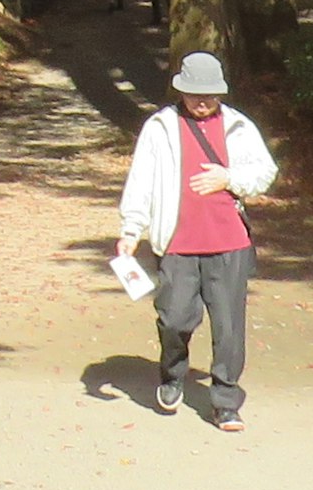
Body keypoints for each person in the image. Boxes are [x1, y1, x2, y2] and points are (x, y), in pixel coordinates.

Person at [113, 50, 274, 427]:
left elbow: (265, 171)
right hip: (177, 243)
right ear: (181, 91)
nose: (202, 102)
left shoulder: (239, 126)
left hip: (229, 242)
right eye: (194, 94)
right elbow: (142, 181)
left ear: (220, 94)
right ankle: (172, 376)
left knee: (229, 326)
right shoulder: (160, 127)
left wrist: (229, 178)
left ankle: (226, 400)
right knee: (174, 318)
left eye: (210, 95)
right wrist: (131, 230)